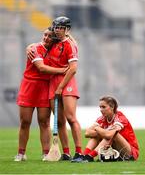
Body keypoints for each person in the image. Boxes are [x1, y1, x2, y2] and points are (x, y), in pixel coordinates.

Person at [27, 16, 83, 161]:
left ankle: (79, 152)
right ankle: (66, 152)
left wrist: (60, 87)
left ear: (67, 30)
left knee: (71, 118)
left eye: (61, 28)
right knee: (59, 122)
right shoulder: (52, 43)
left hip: (67, 83)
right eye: (56, 27)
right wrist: (29, 47)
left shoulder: (70, 44)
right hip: (53, 83)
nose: (58, 30)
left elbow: (73, 69)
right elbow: (40, 44)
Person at [14, 27, 68, 161]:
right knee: (25, 121)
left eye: (49, 36)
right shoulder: (35, 48)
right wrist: (62, 70)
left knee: (44, 122)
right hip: (29, 86)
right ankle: (21, 153)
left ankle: (45, 153)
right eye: (44, 35)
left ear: (54, 38)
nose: (45, 38)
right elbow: (41, 68)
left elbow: (70, 41)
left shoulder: (56, 50)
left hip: (45, 87)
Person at [75, 95, 139, 162]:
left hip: (130, 153)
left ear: (112, 107)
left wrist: (97, 128)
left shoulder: (120, 117)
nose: (101, 110)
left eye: (103, 107)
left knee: (112, 135)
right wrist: (100, 132)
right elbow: (87, 133)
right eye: (100, 107)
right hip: (117, 150)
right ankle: (85, 155)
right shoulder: (102, 118)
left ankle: (90, 156)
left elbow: (108, 135)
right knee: (97, 135)